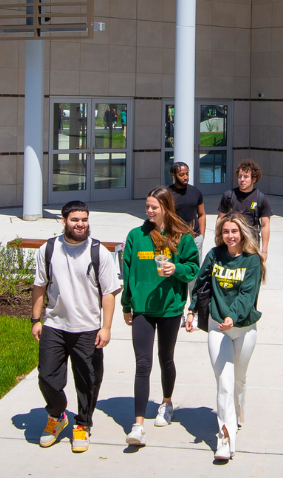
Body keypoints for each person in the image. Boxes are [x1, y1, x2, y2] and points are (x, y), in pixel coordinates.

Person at [32, 200, 121, 454]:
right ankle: (58, 415)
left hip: (88, 328)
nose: (80, 224)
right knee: (47, 377)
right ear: (63, 221)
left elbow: (108, 293)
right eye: (74, 220)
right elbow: (40, 286)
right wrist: (35, 320)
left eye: (84, 219)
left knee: (88, 382)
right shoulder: (48, 249)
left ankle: (82, 424)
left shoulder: (98, 251)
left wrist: (106, 328)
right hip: (55, 325)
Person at [120, 186, 199, 446]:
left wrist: (176, 268)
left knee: (166, 358)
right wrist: (126, 305)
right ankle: (138, 425)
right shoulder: (135, 235)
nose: (149, 211)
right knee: (142, 364)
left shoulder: (183, 237)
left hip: (170, 308)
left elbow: (193, 269)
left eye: (154, 207)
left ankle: (166, 402)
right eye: (147, 206)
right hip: (142, 308)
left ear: (166, 208)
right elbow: (128, 270)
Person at [186, 213, 263, 462]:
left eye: (234, 231)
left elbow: (247, 294)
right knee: (224, 383)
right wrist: (191, 310)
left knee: (238, 380)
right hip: (217, 328)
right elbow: (201, 282)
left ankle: (238, 413)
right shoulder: (214, 255)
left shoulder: (252, 261)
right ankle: (225, 437)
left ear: (242, 233)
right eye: (226, 232)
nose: (230, 236)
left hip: (244, 328)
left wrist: (233, 315)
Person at [217, 159, 272, 258]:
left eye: (246, 177)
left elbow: (265, 225)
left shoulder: (261, 198)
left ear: (254, 179)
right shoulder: (228, 196)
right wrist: (219, 243)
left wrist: (264, 251)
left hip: (251, 246)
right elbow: (220, 220)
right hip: (231, 245)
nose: (242, 179)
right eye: (240, 176)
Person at [168, 161, 206, 251]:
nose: (185, 177)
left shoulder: (195, 191)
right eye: (181, 175)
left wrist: (201, 236)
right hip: (175, 239)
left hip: (194, 238)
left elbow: (202, 214)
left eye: (187, 174)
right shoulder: (167, 194)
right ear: (173, 175)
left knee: (195, 265)